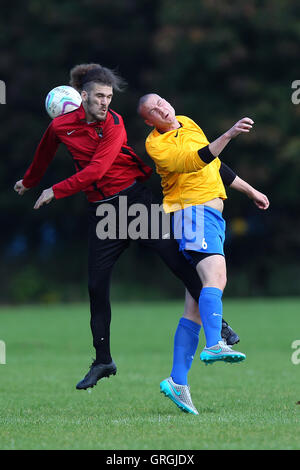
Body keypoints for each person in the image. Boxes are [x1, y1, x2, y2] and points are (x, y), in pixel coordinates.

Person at [13, 63, 238, 395]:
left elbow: (96, 170)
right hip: (104, 213)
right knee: (96, 285)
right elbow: (43, 154)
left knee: (177, 262)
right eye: (100, 97)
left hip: (134, 203)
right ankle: (103, 360)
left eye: (109, 97)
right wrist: (29, 181)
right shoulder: (61, 126)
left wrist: (54, 190)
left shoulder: (115, 124)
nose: (106, 103)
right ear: (83, 97)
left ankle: (218, 325)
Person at [138, 93, 269, 414]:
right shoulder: (157, 146)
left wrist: (251, 190)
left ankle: (177, 381)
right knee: (217, 277)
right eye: (153, 110)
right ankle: (214, 345)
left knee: (194, 306)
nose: (162, 108)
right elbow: (195, 160)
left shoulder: (187, 122)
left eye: (162, 102)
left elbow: (214, 164)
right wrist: (229, 134)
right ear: (148, 121)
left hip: (209, 215)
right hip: (192, 213)